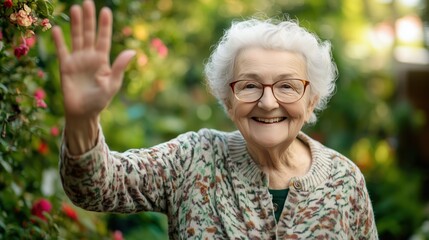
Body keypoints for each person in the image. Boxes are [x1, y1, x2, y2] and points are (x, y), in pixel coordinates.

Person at [52, 0, 378, 239]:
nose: (267, 102)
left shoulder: (344, 181)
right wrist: (83, 119)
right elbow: (97, 188)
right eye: (249, 85)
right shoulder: (194, 159)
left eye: (287, 87)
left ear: (312, 101)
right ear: (227, 99)